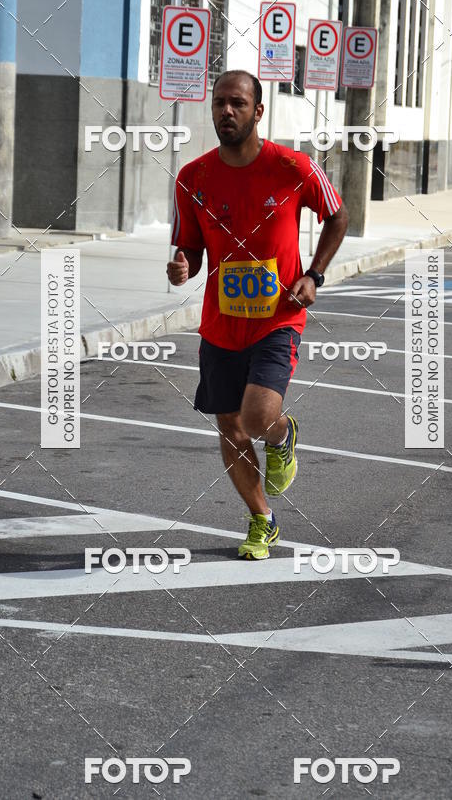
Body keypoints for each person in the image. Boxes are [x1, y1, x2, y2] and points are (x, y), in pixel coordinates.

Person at [167, 70, 348, 559]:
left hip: (278, 318)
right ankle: (261, 519)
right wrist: (183, 265)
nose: (227, 111)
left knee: (257, 416)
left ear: (258, 112)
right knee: (230, 425)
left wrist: (315, 274)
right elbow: (190, 247)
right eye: (220, 103)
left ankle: (283, 434)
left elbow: (337, 215)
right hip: (221, 324)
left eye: (238, 104)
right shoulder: (193, 178)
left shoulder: (293, 167)